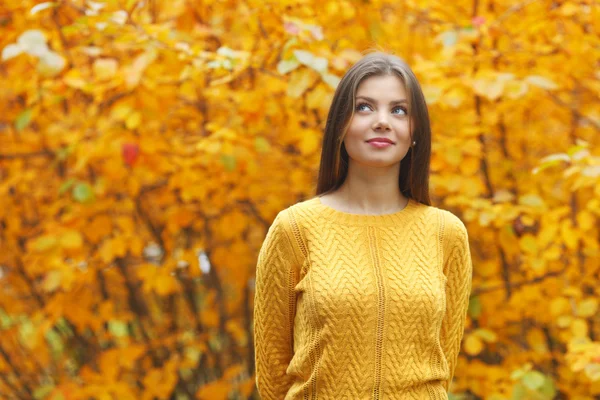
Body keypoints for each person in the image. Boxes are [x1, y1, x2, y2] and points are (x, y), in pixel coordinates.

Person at [253, 51, 473, 399]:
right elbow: (272, 374)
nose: (382, 121)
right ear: (341, 124)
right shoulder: (295, 228)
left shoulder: (445, 233)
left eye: (399, 110)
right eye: (364, 107)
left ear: (415, 131)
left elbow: (443, 363)